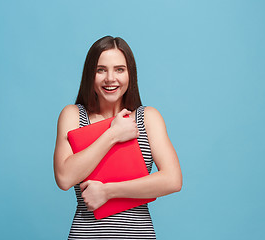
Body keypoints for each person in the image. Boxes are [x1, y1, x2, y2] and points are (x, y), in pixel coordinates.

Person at [53, 36, 182, 239]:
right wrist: (113, 134)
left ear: (130, 74)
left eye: (119, 69)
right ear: (90, 75)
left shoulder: (147, 118)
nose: (110, 78)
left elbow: (173, 180)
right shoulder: (74, 115)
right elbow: (64, 178)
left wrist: (108, 192)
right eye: (101, 70)